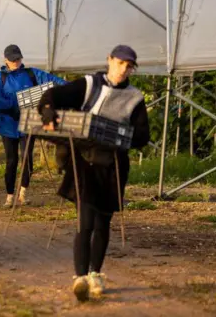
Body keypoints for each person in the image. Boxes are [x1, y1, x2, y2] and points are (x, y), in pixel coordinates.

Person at [37, 45, 150, 301]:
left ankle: (95, 274)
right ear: (109, 60)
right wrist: (47, 112)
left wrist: (117, 136)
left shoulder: (134, 97)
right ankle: (80, 278)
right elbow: (52, 96)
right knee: (84, 221)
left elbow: (143, 135)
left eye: (129, 66)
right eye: (120, 63)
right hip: (85, 163)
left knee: (103, 223)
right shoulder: (90, 85)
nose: (124, 69)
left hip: (113, 166)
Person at [0, 44, 67, 207]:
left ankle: (22, 194)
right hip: (8, 124)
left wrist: (69, 88)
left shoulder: (32, 74)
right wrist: (15, 103)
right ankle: (9, 196)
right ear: (6, 60)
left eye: (18, 58)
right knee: (11, 160)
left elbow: (53, 81)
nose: (16, 62)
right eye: (13, 60)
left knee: (27, 158)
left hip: (29, 123)